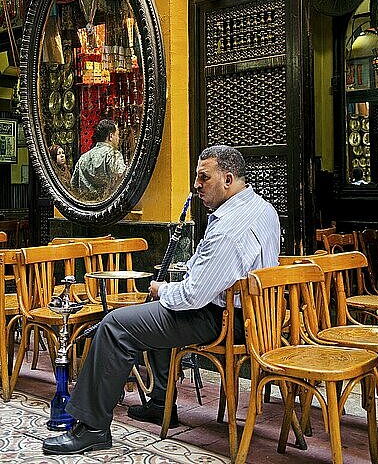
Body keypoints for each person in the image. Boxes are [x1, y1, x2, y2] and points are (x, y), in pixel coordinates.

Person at [43, 145, 280, 455]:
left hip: (223, 320)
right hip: (259, 318)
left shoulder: (229, 228)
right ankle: (159, 403)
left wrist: (162, 291)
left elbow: (193, 295)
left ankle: (92, 427)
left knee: (115, 325)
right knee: (153, 316)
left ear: (228, 179)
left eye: (203, 177)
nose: (196, 185)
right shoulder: (262, 209)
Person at [70, 119, 126, 200]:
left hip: (86, 207)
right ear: (110, 136)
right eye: (117, 135)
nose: (118, 138)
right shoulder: (113, 155)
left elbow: (73, 185)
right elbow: (122, 179)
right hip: (107, 206)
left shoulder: (83, 158)